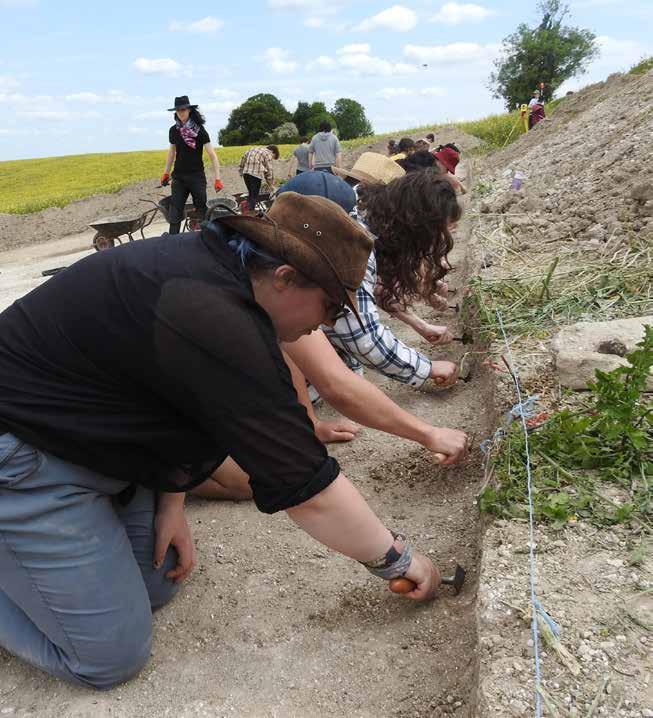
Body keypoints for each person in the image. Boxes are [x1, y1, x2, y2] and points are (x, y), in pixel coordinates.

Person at [0, 192, 469, 690]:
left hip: (88, 441)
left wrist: (172, 500)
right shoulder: (210, 314)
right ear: (285, 277)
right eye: (331, 306)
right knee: (109, 656)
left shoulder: (224, 275)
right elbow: (304, 485)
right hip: (23, 449)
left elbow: (175, 403)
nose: (327, 324)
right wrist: (397, 560)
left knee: (158, 580)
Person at [332, 155, 459, 387]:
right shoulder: (355, 245)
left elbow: (373, 288)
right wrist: (427, 367)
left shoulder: (367, 222)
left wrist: (421, 325)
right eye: (434, 235)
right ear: (417, 227)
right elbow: (364, 338)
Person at [161, 96, 222, 235]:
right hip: (179, 178)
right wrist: (166, 173)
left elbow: (212, 155)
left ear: (189, 110)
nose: (181, 113)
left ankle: (207, 238)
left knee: (202, 210)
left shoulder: (200, 130)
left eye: (183, 109)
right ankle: (172, 242)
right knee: (175, 212)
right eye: (178, 110)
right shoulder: (173, 130)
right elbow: (171, 152)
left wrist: (218, 178)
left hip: (196, 177)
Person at [239, 144, 279, 212]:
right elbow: (269, 170)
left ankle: (247, 210)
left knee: (251, 194)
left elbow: (243, 160)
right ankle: (251, 213)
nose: (271, 158)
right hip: (256, 175)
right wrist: (271, 185)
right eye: (273, 157)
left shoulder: (253, 149)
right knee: (254, 196)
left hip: (246, 174)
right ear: (273, 151)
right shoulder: (267, 153)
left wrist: (241, 171)